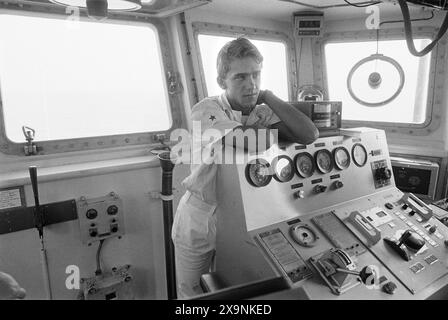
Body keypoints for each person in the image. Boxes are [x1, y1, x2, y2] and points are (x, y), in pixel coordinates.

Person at [171, 37, 319, 298]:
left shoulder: (260, 110)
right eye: (240, 77)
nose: (250, 85)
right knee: (192, 294)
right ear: (222, 82)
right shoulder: (206, 110)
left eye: (256, 75)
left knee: (234, 291)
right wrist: (276, 134)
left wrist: (268, 97)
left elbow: (308, 134)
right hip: (200, 215)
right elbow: (247, 142)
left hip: (242, 216)